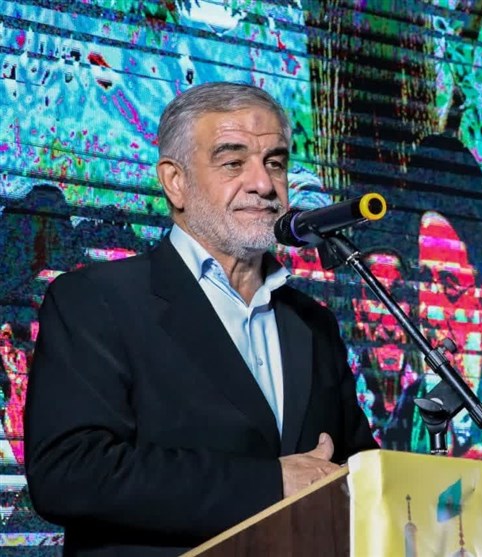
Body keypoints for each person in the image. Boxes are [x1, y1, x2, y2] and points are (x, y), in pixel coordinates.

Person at [23, 81, 378, 557]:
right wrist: (269, 483)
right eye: (233, 163)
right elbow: (70, 473)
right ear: (175, 181)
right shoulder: (97, 300)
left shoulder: (311, 321)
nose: (264, 184)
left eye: (275, 163)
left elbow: (357, 470)